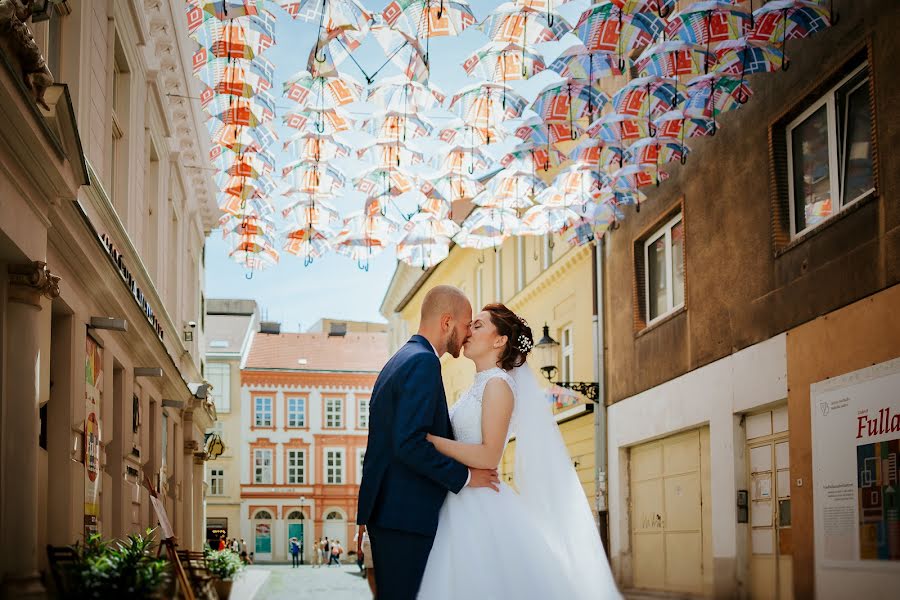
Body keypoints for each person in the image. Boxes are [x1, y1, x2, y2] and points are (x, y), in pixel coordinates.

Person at [415, 303, 621, 599]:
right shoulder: (478, 385)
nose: (468, 331)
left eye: (478, 326)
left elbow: (488, 456)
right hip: (461, 495)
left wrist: (433, 441)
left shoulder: (498, 386)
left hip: (479, 504)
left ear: (500, 341)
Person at [356, 285, 502, 600]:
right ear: (447, 322)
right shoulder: (423, 363)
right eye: (466, 325)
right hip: (405, 515)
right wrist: (466, 477)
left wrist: (365, 516)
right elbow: (410, 443)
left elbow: (381, 446)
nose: (466, 335)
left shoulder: (399, 360)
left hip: (391, 513)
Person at [357, 525, 376, 597]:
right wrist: (359, 549)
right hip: (369, 542)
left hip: (384, 542)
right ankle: (375, 595)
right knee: (370, 569)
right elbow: (361, 529)